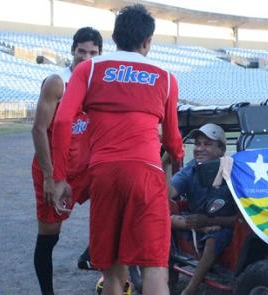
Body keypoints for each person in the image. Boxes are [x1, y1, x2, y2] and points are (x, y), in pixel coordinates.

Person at [50, 5, 184, 295]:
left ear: (114, 38)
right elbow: (173, 141)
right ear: (147, 42)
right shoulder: (166, 77)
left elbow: (61, 121)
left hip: (104, 173)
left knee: (111, 269)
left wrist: (60, 178)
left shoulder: (89, 69)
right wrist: (179, 165)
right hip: (147, 174)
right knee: (155, 269)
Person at [31, 27, 102, 295]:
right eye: (81, 51)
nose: (86, 57)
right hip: (54, 171)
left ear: (99, 55)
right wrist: (50, 177)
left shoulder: (98, 86)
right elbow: (38, 129)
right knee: (50, 237)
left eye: (93, 53)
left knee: (115, 203)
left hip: (84, 170)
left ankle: (93, 255)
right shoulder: (57, 83)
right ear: (72, 51)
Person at [166, 123, 237, 295]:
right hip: (194, 220)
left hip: (227, 224)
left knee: (216, 235)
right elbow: (167, 193)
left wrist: (210, 221)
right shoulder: (191, 168)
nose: (200, 148)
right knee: (161, 218)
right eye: (197, 144)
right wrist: (166, 163)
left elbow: (241, 217)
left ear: (221, 149)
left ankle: (190, 289)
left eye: (207, 144)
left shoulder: (233, 169)